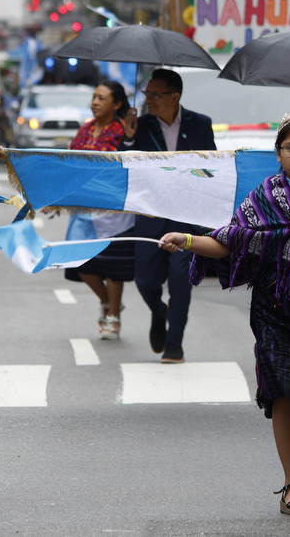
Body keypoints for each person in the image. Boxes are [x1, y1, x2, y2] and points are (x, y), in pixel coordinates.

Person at [157, 107, 290, 516]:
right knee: (282, 393)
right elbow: (230, 241)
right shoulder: (263, 197)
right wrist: (187, 240)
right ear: (278, 153)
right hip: (273, 307)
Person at [122, 68, 216, 363]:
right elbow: (123, 165)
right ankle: (158, 310)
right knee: (145, 281)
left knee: (180, 280)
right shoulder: (140, 125)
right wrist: (128, 137)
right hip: (151, 214)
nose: (148, 99)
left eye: (154, 94)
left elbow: (212, 168)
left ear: (174, 96)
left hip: (186, 215)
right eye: (146, 93)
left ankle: (174, 345)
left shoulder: (200, 124)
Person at [64, 82, 136, 339]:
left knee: (113, 266)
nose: (95, 102)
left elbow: (131, 165)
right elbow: (69, 163)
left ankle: (114, 316)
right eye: (94, 97)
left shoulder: (123, 131)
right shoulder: (84, 130)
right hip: (84, 207)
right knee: (80, 261)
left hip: (113, 209)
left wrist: (130, 137)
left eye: (101, 98)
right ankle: (107, 302)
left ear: (117, 104)